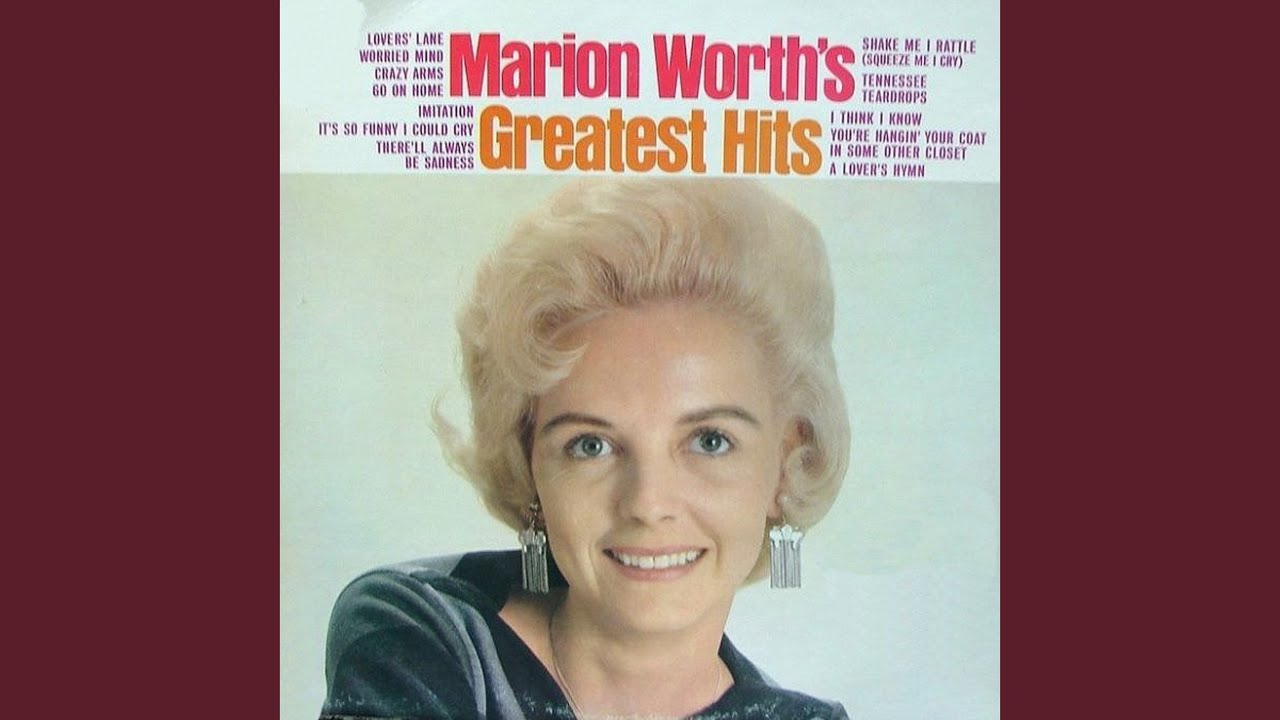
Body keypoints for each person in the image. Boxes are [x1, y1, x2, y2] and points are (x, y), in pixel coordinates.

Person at [319, 179, 851, 719]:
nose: (647, 503)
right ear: (527, 464)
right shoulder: (420, 634)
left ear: (788, 466)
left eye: (710, 441)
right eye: (591, 445)